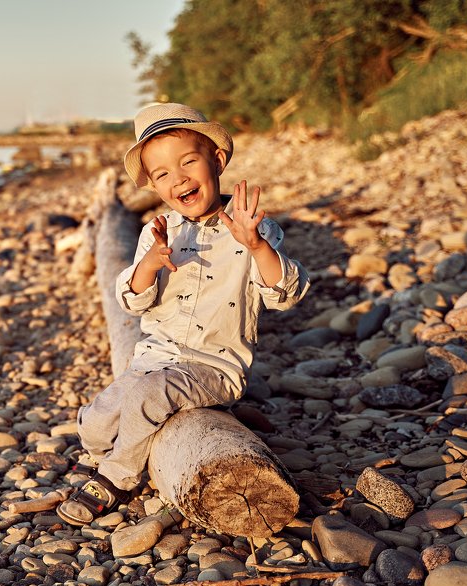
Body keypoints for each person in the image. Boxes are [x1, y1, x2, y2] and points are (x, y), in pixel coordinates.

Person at [57, 102, 310, 526]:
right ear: (155, 187)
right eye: (162, 174)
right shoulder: (160, 233)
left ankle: (119, 477)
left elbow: (286, 294)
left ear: (218, 159)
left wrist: (257, 246)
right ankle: (114, 453)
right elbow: (132, 301)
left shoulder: (250, 228)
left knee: (145, 398)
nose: (178, 179)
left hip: (212, 366)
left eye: (188, 162)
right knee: (94, 422)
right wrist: (150, 265)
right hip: (153, 360)